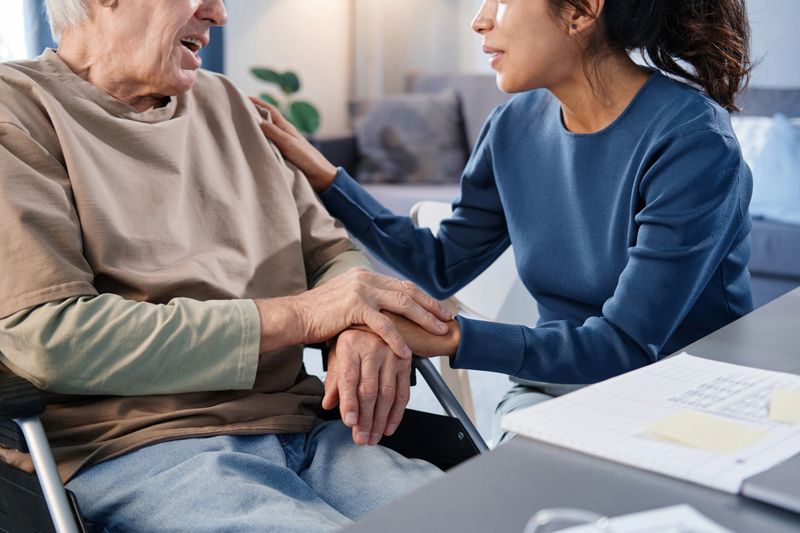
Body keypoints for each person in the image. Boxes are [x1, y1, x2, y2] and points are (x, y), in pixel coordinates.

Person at [0, 0, 456, 530]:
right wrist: (307, 317)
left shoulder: (230, 104)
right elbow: (51, 338)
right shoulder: (18, 111)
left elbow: (331, 257)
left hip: (311, 430)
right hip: (140, 450)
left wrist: (358, 324)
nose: (219, 14)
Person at [257, 0, 755, 444]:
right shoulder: (512, 126)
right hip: (553, 387)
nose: (480, 20)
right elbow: (440, 265)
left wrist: (453, 338)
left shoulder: (693, 141)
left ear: (581, 11)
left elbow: (625, 344)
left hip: (686, 400)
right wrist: (327, 178)